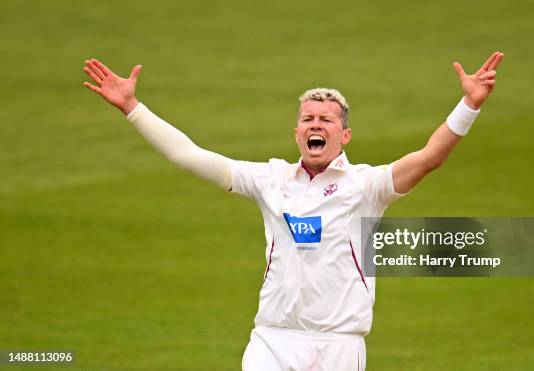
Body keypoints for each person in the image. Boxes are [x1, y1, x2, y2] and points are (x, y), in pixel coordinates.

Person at [82, 51, 504, 370]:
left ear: (345, 134)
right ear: (297, 132)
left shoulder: (366, 186)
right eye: (307, 118)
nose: (315, 124)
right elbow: (189, 156)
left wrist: (469, 105)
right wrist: (132, 108)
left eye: (325, 118)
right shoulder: (271, 180)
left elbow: (430, 157)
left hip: (339, 344)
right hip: (273, 339)